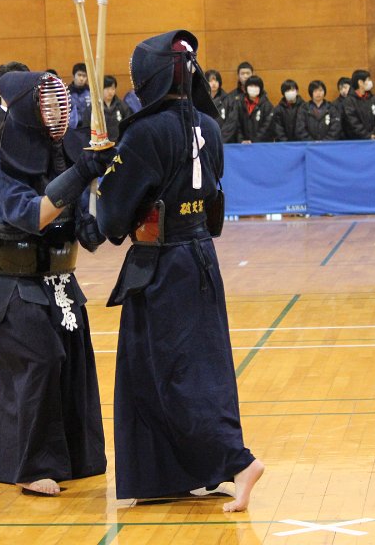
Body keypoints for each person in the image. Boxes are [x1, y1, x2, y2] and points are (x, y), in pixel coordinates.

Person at [96, 29, 263, 512]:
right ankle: (168, 474)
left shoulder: (145, 132)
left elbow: (111, 219)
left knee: (176, 374)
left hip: (163, 266)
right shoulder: (208, 125)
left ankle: (238, 461)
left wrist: (105, 172)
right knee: (158, 371)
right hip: (200, 257)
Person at [0, 70, 108, 497]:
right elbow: (34, 215)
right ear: (29, 111)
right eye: (45, 103)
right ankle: (31, 466)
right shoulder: (2, 166)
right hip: (16, 284)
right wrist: (80, 174)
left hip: (60, 281)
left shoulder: (64, 155)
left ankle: (74, 457)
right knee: (42, 361)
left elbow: (84, 227)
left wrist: (100, 207)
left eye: (58, 101)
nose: (56, 110)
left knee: (74, 363)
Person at [232, 75, 275, 143]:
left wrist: (253, 141)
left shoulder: (267, 105)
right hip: (242, 144)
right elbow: (236, 124)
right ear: (246, 87)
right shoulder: (239, 103)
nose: (253, 88)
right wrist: (241, 140)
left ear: (260, 88)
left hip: (261, 144)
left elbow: (267, 126)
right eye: (251, 86)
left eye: (256, 86)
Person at [342, 70, 375, 139]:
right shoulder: (349, 101)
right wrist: (367, 135)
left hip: (374, 137)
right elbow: (352, 122)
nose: (370, 82)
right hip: (356, 140)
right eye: (368, 80)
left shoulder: (373, 98)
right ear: (360, 82)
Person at [100, 74, 132, 141]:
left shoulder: (122, 106)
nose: (110, 92)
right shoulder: (94, 107)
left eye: (113, 88)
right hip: (101, 143)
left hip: (120, 142)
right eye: (107, 88)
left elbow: (129, 125)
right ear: (101, 89)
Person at [68, 62, 91, 128]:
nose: (81, 78)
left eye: (84, 76)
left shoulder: (91, 92)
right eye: (79, 75)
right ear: (74, 76)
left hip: (89, 127)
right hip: (72, 128)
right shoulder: (67, 92)